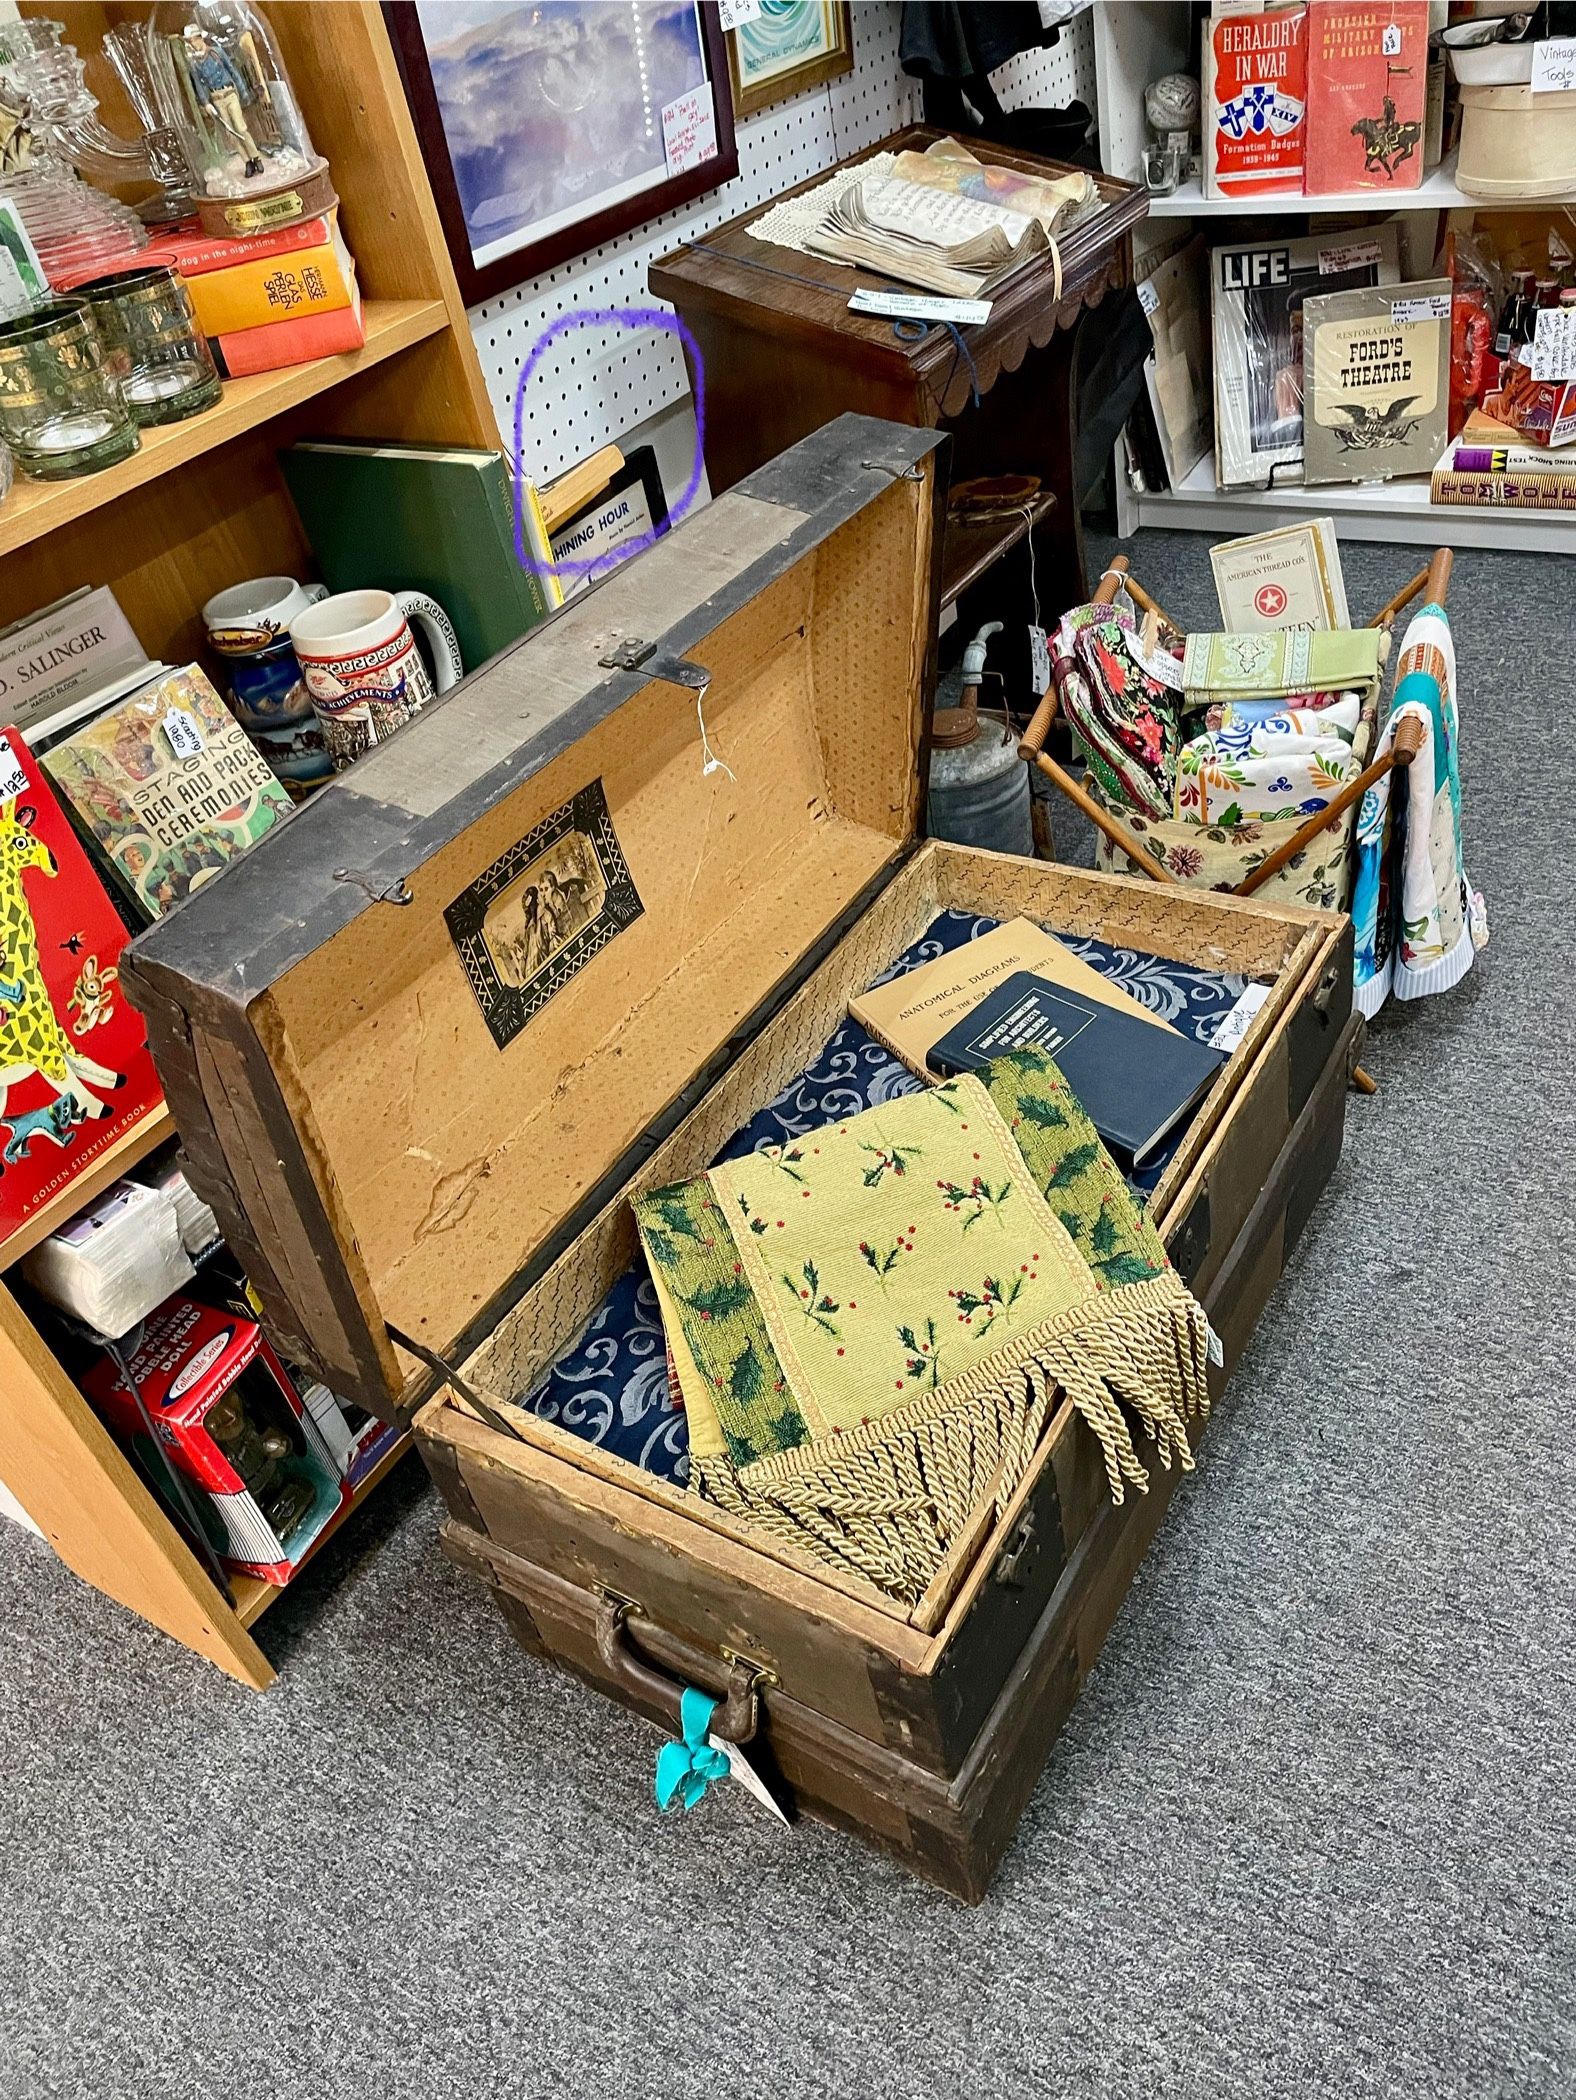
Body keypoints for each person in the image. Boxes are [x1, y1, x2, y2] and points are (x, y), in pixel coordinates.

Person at [182, 23, 265, 178]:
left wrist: (243, 91)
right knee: (230, 133)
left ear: (200, 38)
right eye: (190, 41)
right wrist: (206, 103)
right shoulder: (195, 64)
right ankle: (247, 161)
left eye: (194, 40)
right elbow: (199, 86)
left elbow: (232, 71)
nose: (193, 44)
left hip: (229, 93)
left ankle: (256, 157)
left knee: (240, 128)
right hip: (216, 98)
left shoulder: (216, 53)